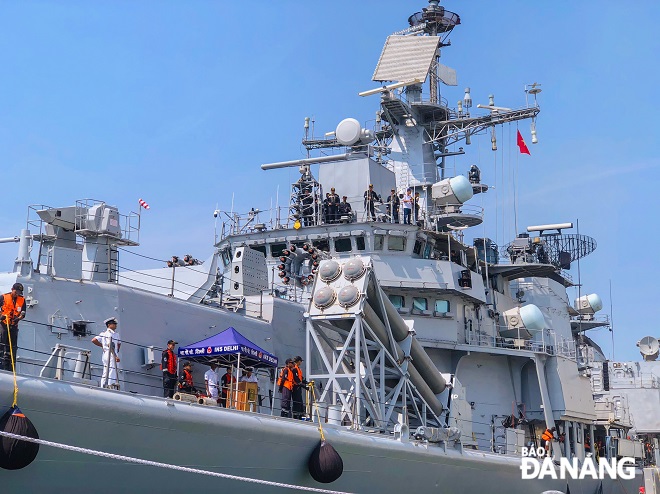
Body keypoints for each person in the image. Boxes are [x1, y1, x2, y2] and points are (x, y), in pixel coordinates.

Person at [0, 283, 26, 371]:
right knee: (2, 342)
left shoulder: (22, 300)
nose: (17, 294)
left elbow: (23, 313)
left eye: (19, 292)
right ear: (12, 289)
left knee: (12, 346)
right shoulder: (3, 297)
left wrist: (18, 319)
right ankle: (1, 362)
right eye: (16, 291)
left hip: (13, 325)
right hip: (3, 324)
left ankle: (9, 366)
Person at [91, 317, 121, 389]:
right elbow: (109, 345)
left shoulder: (105, 334)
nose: (115, 325)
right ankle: (110, 385)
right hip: (110, 353)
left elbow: (94, 340)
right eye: (114, 324)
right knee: (112, 369)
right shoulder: (109, 334)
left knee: (106, 370)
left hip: (106, 353)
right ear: (109, 325)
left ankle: (103, 385)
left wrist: (102, 346)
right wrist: (115, 355)